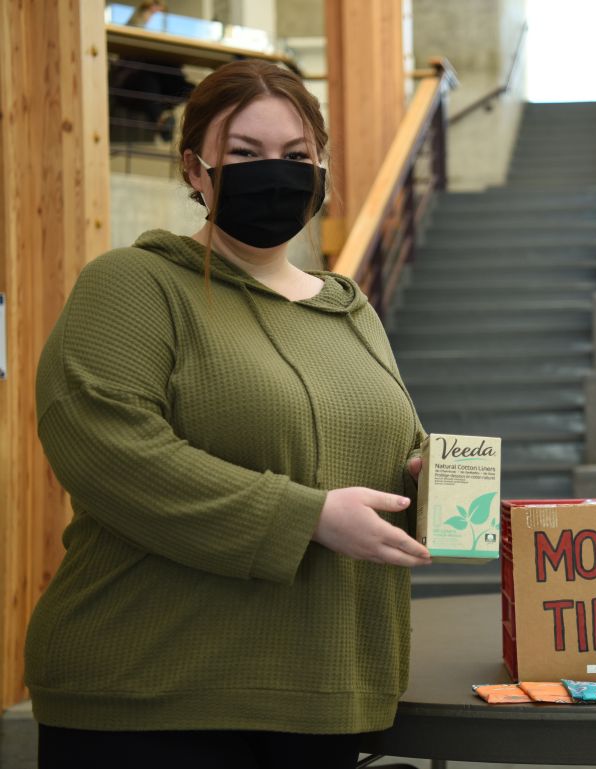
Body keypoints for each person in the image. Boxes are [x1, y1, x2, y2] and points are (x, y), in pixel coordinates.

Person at [29, 59, 432, 769]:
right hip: (154, 699)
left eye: (295, 155)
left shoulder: (350, 308)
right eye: (244, 154)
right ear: (195, 169)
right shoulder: (136, 284)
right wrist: (303, 517)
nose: (273, 173)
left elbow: (394, 450)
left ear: (322, 167)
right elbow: (106, 449)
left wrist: (439, 483)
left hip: (322, 695)